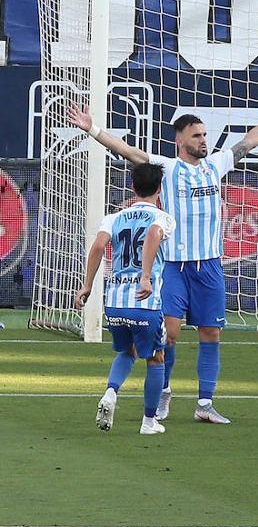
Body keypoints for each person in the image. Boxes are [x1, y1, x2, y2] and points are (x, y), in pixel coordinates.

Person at [68, 90, 258, 424]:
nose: (204, 140)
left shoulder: (216, 165)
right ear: (180, 141)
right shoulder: (167, 168)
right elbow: (128, 151)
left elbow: (249, 142)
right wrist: (93, 130)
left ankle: (204, 404)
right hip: (175, 268)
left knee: (211, 333)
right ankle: (163, 390)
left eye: (205, 134)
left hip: (210, 266)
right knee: (170, 333)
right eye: (197, 135)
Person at [75, 163, 175, 435]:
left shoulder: (114, 217)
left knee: (126, 351)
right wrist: (145, 277)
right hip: (144, 301)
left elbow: (97, 246)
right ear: (159, 188)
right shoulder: (162, 218)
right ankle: (149, 422)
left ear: (132, 187)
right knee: (156, 357)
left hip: (115, 301)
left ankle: (110, 392)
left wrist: (87, 286)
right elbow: (154, 235)